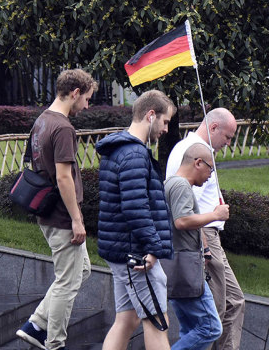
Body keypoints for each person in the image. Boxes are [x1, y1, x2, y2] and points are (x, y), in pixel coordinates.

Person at [16, 69, 99, 350]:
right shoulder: (63, 127)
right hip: (62, 216)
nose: (87, 106)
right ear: (75, 93)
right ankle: (55, 343)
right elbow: (63, 177)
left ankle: (35, 324)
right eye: (86, 99)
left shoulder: (42, 120)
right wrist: (77, 219)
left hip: (45, 208)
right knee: (67, 281)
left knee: (82, 270)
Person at [95, 89, 177, 350]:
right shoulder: (134, 154)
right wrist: (153, 248)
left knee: (127, 318)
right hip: (134, 254)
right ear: (150, 115)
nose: (165, 129)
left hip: (121, 249)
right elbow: (135, 209)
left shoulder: (120, 149)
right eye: (165, 122)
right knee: (157, 320)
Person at [164, 108, 246, 350]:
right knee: (214, 315)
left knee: (230, 303)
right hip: (201, 238)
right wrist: (206, 245)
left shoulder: (195, 150)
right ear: (213, 128)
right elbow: (185, 214)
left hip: (205, 238)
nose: (228, 143)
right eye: (228, 137)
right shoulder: (193, 154)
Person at [164, 143, 226, 350]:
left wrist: (205, 248)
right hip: (186, 268)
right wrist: (215, 215)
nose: (210, 175)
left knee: (190, 329)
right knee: (210, 328)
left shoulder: (172, 183)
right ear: (198, 163)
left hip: (178, 265)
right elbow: (181, 221)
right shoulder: (181, 186)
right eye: (211, 168)